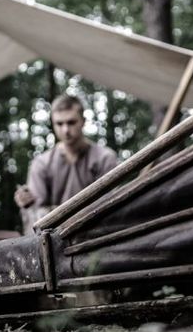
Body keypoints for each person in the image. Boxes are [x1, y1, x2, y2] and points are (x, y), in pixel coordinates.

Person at [14, 94, 119, 234]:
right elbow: (37, 219)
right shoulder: (41, 163)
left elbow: (109, 206)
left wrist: (53, 212)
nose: (65, 130)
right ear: (53, 123)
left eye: (71, 122)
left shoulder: (104, 158)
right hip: (53, 242)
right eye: (59, 123)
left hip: (96, 237)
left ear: (83, 121)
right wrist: (28, 204)